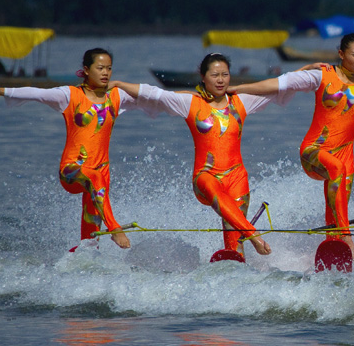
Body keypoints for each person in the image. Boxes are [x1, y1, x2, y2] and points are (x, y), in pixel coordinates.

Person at [231, 33, 354, 260]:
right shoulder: (321, 75)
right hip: (314, 152)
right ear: (341, 54)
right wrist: (236, 89)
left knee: (336, 206)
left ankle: (332, 244)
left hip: (346, 157)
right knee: (335, 170)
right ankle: (346, 236)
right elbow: (279, 83)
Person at [112, 53, 272, 258]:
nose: (221, 80)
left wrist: (308, 71)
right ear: (203, 77)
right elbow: (154, 94)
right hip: (205, 177)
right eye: (215, 75)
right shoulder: (190, 102)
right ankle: (254, 236)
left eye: (225, 74)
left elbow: (277, 87)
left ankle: (236, 269)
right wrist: (118, 83)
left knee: (234, 250)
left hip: (237, 178)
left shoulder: (241, 102)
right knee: (217, 193)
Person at [0, 48, 134, 249]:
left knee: (89, 243)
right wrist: (1, 91)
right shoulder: (70, 95)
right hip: (72, 170)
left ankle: (76, 264)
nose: (105, 73)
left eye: (109, 68)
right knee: (95, 178)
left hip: (100, 176)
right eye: (100, 68)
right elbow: (37, 93)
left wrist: (183, 99)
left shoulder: (116, 97)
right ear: (86, 70)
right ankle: (115, 229)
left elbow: (153, 96)